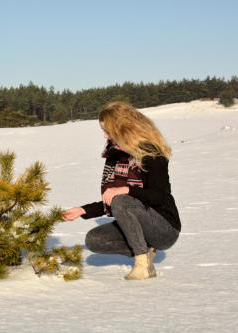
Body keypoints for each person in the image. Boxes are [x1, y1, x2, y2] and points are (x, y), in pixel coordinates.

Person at [62, 101, 181, 280]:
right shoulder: (116, 157)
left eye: (107, 131)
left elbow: (159, 197)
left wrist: (126, 189)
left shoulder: (151, 154)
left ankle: (142, 265)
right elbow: (116, 201)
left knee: (121, 199)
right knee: (94, 240)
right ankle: (145, 251)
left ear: (122, 129)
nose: (104, 136)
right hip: (139, 220)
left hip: (165, 228)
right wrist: (83, 210)